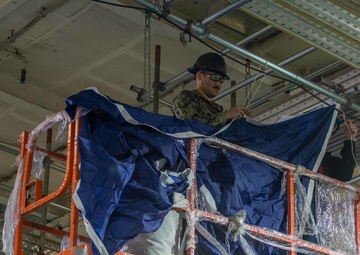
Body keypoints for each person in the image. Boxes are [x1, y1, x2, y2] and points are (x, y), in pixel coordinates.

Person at [172, 52, 251, 127]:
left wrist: (240, 119)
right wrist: (227, 115)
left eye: (221, 80)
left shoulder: (217, 109)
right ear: (199, 75)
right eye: (215, 77)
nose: (218, 84)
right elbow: (193, 124)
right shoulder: (185, 98)